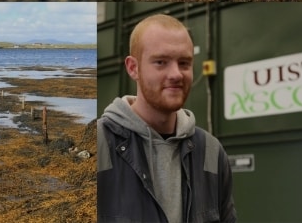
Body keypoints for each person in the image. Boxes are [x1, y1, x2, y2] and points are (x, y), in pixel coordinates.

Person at [99, 14, 237, 223]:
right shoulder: (98, 144)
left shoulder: (211, 151)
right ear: (133, 68)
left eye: (184, 63)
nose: (176, 74)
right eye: (161, 62)